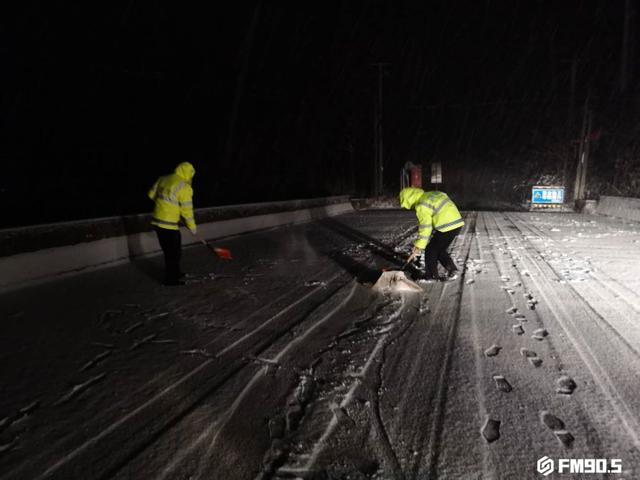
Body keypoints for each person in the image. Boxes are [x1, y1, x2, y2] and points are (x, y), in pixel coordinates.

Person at [399, 187, 464, 280]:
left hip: (446, 225)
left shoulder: (421, 205)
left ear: (410, 199)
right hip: (457, 222)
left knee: (431, 250)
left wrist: (420, 245)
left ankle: (431, 275)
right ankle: (452, 269)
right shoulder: (432, 194)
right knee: (440, 249)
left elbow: (425, 227)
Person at [148, 162, 197, 286]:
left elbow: (151, 195)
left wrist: (168, 208)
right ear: (188, 174)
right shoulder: (184, 187)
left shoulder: (163, 179)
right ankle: (170, 280)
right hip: (168, 225)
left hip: (157, 221)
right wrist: (192, 227)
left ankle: (176, 272)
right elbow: (187, 211)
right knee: (173, 254)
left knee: (172, 251)